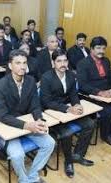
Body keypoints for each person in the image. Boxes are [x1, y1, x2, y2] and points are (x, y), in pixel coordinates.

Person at [0, 49, 55, 183]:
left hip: (27, 124)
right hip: (9, 126)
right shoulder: (0, 85)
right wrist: (27, 125)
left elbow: (35, 105)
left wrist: (39, 119)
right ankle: (23, 180)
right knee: (17, 155)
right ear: (10, 66)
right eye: (18, 63)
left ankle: (32, 176)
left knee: (50, 143)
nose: (22, 66)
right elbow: (3, 116)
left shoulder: (30, 81)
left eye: (24, 63)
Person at [40, 49, 95, 178]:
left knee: (90, 124)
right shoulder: (46, 77)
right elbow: (46, 102)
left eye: (65, 60)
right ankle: (68, 160)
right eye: (59, 61)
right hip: (51, 112)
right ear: (53, 63)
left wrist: (77, 104)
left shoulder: (70, 75)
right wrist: (68, 109)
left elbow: (72, 94)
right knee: (67, 133)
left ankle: (77, 155)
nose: (62, 64)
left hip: (67, 110)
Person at [76, 36, 111, 147]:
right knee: (107, 112)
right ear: (91, 49)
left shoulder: (106, 61)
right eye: (98, 48)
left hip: (107, 93)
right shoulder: (83, 63)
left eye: (103, 48)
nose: (101, 51)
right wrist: (99, 93)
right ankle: (105, 136)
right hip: (90, 95)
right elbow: (82, 85)